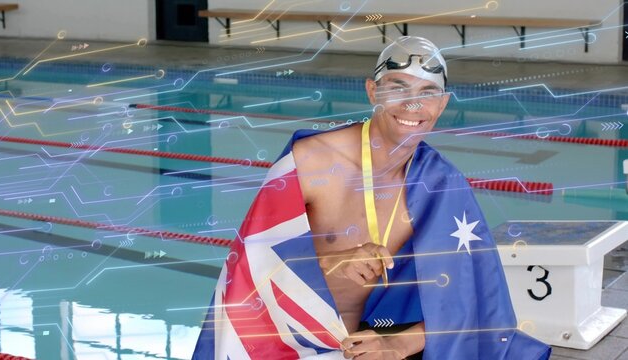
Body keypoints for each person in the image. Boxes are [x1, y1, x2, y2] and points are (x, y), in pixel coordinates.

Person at [192, 36, 551, 359]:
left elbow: (474, 300)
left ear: (441, 105)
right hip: (294, 344)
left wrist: (399, 343)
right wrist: (333, 262)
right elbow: (247, 270)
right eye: (398, 88)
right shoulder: (310, 161)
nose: (413, 105)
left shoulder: (443, 184)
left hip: (378, 343)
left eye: (427, 93)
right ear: (372, 92)